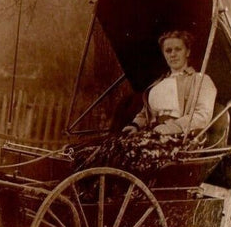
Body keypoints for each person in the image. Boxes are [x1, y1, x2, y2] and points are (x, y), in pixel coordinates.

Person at [76, 30, 217, 176]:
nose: (173, 54)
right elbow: (145, 112)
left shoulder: (200, 80)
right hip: (153, 134)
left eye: (178, 49)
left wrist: (172, 127)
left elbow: (202, 116)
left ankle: (125, 189)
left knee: (130, 149)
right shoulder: (159, 82)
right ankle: (99, 187)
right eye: (168, 51)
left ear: (187, 52)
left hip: (182, 139)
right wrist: (135, 125)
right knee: (109, 146)